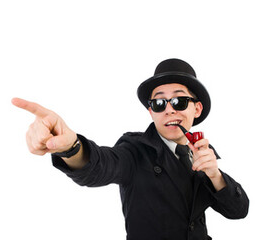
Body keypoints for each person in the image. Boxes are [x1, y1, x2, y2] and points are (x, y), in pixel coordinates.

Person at [12, 58, 249, 239]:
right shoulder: (135, 149)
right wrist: (72, 148)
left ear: (196, 109)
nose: (169, 110)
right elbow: (102, 166)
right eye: (159, 103)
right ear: (151, 111)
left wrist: (215, 175)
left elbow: (238, 211)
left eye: (179, 101)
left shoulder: (202, 153)